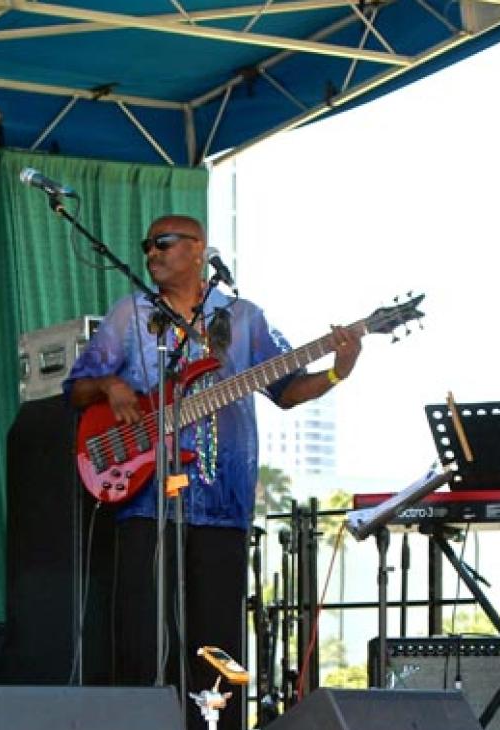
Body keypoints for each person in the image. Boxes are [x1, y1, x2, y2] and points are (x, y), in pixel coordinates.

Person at [63, 214, 361, 730]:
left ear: (198, 249)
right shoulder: (130, 314)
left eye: (163, 243)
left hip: (223, 503)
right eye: (147, 245)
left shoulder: (244, 318)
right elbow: (76, 389)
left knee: (217, 644)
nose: (151, 253)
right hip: (145, 499)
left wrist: (338, 368)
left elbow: (287, 390)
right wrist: (111, 384)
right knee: (143, 635)